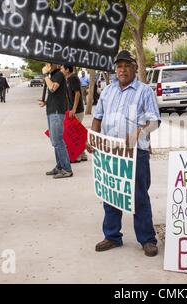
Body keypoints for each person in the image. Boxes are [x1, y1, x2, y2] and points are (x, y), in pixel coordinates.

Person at [91, 50, 161, 257]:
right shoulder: (107, 91)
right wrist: (92, 137)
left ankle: (147, 239)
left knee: (138, 195)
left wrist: (138, 133)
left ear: (134, 68)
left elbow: (154, 121)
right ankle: (112, 236)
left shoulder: (144, 91)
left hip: (135, 152)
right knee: (110, 193)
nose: (122, 69)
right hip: (109, 151)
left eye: (127, 66)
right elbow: (98, 117)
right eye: (119, 66)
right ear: (115, 69)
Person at [39, 63, 73, 179]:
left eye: (48, 64)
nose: (47, 65)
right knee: (55, 141)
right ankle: (59, 166)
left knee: (58, 140)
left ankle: (66, 169)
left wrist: (45, 75)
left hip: (57, 112)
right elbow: (54, 95)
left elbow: (53, 88)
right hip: (52, 110)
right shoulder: (53, 75)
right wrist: (46, 102)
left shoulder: (58, 74)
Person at [60, 64, 88, 162]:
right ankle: (83, 154)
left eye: (62, 68)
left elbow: (77, 93)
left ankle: (77, 156)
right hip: (71, 110)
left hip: (76, 110)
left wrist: (74, 109)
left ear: (67, 70)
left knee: (74, 134)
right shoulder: (68, 79)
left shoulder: (73, 78)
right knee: (77, 133)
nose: (61, 69)